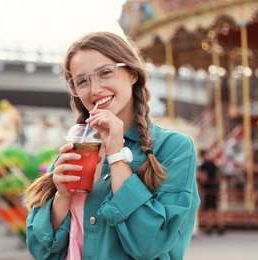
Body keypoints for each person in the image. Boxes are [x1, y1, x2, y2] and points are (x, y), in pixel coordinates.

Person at [24, 31, 200, 259]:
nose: (95, 89)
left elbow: (151, 244)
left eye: (105, 73)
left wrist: (116, 155)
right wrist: (62, 197)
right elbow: (39, 249)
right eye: (82, 81)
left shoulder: (174, 148)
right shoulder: (77, 149)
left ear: (133, 73)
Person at [197, 149, 225, 235]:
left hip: (207, 189)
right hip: (214, 188)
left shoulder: (204, 166)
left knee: (207, 209)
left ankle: (209, 227)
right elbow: (218, 177)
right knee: (216, 209)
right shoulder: (213, 164)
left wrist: (199, 181)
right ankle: (221, 227)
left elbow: (204, 178)